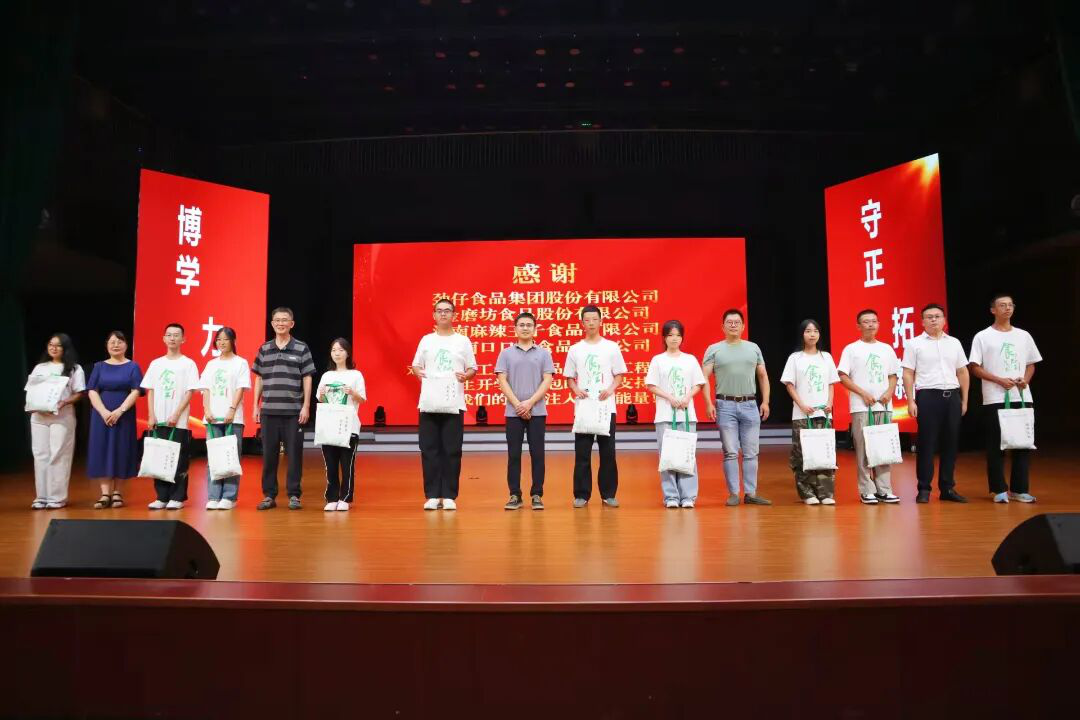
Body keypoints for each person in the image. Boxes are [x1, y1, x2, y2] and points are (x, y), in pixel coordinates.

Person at [968, 293, 1043, 503]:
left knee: (1022, 444)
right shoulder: (983, 336)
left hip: (1022, 396)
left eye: (1010, 305)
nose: (1007, 308)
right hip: (995, 397)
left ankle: (1019, 489)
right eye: (1002, 305)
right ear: (993, 310)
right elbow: (974, 367)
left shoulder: (1023, 335)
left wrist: (1025, 380)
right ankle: (998, 489)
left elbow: (1031, 363)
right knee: (996, 444)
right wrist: (998, 380)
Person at [412, 298, 477, 510]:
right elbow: (416, 365)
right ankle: (432, 495)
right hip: (429, 401)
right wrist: (419, 373)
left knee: (452, 449)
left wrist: (466, 376)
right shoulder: (426, 340)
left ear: (454, 315)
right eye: (439, 311)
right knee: (429, 449)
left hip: (453, 403)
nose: (443, 314)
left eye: (447, 311)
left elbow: (472, 368)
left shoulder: (462, 341)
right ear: (434, 315)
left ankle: (449, 495)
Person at [901, 303, 970, 504]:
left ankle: (947, 488)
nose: (934, 320)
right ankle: (924, 488)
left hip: (952, 396)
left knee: (951, 444)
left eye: (937, 316)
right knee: (926, 444)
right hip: (928, 396)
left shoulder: (954, 343)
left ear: (944, 320)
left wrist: (964, 400)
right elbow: (908, 373)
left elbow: (962, 372)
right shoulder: (914, 344)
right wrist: (910, 400)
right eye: (929, 317)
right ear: (922, 322)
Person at [703, 309, 772, 506]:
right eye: (729, 322)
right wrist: (708, 403)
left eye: (737, 322)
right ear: (723, 326)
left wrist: (765, 401)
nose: (733, 325)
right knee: (730, 452)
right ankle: (733, 493)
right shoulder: (714, 349)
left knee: (751, 452)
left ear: (743, 326)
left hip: (750, 404)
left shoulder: (753, 348)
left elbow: (763, 376)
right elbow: (703, 378)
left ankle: (750, 493)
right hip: (725, 405)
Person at [252, 307, 315, 510]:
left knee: (294, 455)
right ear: (272, 324)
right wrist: (255, 406)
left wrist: (306, 406)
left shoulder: (301, 348)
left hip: (293, 412)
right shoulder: (264, 349)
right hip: (268, 411)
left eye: (284, 320)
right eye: (277, 320)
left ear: (291, 323)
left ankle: (294, 495)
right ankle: (269, 495)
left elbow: (307, 377)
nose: (280, 323)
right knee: (269, 456)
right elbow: (259, 378)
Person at [564, 304, 627, 508]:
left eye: (594, 319)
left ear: (601, 321)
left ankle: (608, 494)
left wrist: (610, 389)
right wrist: (575, 389)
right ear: (582, 323)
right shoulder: (575, 349)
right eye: (587, 320)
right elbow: (569, 377)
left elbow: (619, 375)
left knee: (608, 453)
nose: (591, 323)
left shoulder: (611, 347)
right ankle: (581, 495)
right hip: (584, 407)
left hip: (605, 407)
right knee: (582, 453)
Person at [837, 309, 902, 504]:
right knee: (863, 449)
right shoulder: (851, 349)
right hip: (861, 406)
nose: (871, 324)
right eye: (866, 321)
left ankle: (884, 489)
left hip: (884, 405)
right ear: (858, 326)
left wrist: (889, 392)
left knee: (883, 448)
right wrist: (863, 393)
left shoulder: (886, 349)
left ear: (879, 324)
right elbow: (843, 376)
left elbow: (893, 375)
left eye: (874, 321)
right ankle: (866, 490)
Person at [495, 312, 554, 511]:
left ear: (535, 329)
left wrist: (529, 403)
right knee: (514, 455)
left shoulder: (544, 353)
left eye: (529, 325)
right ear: (515, 329)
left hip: (537, 411)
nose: (525, 328)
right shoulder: (506, 354)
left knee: (538, 454)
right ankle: (515, 495)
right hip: (513, 413)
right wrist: (518, 405)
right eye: (521, 325)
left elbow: (547, 380)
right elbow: (502, 380)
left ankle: (537, 494)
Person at [645, 320, 706, 508]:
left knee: (687, 454)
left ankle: (688, 496)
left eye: (678, 335)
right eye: (670, 335)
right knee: (667, 455)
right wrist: (670, 397)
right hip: (665, 415)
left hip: (687, 414)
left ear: (682, 338)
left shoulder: (690, 359)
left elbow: (698, 383)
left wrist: (687, 397)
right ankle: (671, 496)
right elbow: (651, 385)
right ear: (664, 337)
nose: (674, 339)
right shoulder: (658, 360)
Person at [140, 323, 200, 509]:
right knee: (159, 457)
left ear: (183, 339)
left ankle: (177, 497)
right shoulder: (156, 364)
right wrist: (151, 415)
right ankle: (161, 497)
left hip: (178, 420)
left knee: (178, 459)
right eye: (169, 335)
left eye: (176, 335)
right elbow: (150, 390)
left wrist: (177, 413)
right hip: (158, 419)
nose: (172, 338)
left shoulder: (188, 363)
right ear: (164, 339)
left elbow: (190, 392)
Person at [781, 319, 840, 505]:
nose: (812, 334)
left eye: (815, 331)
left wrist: (830, 403)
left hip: (824, 414)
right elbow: (789, 384)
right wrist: (802, 405)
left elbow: (831, 383)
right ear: (802, 334)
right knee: (803, 454)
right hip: (802, 414)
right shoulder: (795, 358)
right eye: (808, 331)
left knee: (825, 452)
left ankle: (826, 493)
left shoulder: (826, 357)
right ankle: (807, 493)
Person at [25, 333, 85, 509]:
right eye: (51, 344)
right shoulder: (40, 367)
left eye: (58, 345)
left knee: (59, 455)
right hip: (39, 417)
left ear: (65, 348)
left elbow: (79, 393)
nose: (53, 348)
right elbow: (31, 390)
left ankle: (57, 497)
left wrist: (64, 402)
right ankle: (41, 496)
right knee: (40, 455)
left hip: (61, 417)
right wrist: (31, 403)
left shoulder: (74, 368)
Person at [85, 331, 142, 509]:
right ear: (107, 345)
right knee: (102, 450)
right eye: (112, 342)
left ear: (126, 345)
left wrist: (120, 411)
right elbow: (92, 390)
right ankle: (105, 494)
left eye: (119, 342)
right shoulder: (99, 366)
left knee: (121, 450)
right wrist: (103, 412)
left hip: (124, 415)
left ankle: (117, 492)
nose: (116, 345)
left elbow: (136, 391)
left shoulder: (133, 366)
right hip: (101, 416)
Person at [198, 327, 250, 510]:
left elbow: (240, 388)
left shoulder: (240, 363)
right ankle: (213, 496)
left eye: (225, 339)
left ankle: (229, 497)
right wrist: (206, 410)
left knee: (230, 457)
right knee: (213, 457)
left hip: (233, 418)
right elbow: (205, 389)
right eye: (218, 339)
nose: (221, 342)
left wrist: (232, 409)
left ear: (233, 341)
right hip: (212, 418)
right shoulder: (211, 364)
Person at [316, 338, 367, 511]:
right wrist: (322, 394)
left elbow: (362, 399)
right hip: (329, 425)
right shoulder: (327, 376)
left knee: (347, 464)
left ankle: (345, 497)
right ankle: (331, 497)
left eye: (340, 350)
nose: (337, 353)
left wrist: (352, 392)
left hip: (348, 425)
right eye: (333, 350)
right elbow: (321, 399)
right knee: (330, 464)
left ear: (348, 353)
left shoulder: (356, 375)